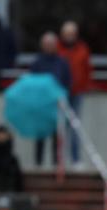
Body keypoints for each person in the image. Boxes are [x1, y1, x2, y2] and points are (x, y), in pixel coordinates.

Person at [31, 32, 72, 168]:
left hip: (56, 104)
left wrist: (62, 96)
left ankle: (56, 164)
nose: (49, 47)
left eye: (51, 44)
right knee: (40, 135)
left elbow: (67, 82)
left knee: (57, 135)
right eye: (46, 44)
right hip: (41, 104)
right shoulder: (37, 63)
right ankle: (38, 163)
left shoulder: (62, 62)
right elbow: (32, 82)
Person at [58, 21, 92, 168]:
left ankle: (75, 159)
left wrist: (84, 86)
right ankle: (60, 160)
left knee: (75, 126)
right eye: (67, 33)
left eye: (72, 33)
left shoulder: (82, 49)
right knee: (60, 127)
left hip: (77, 92)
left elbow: (87, 69)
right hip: (60, 93)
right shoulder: (57, 49)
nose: (69, 36)